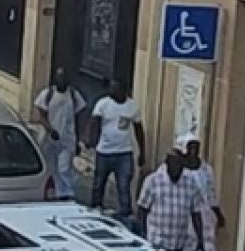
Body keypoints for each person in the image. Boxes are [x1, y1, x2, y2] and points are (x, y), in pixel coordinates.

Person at [88, 79, 146, 218]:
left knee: (124, 184)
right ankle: (96, 206)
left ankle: (125, 211)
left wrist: (142, 151)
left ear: (124, 90)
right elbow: (94, 122)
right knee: (99, 182)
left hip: (124, 152)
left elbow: (139, 129)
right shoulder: (103, 104)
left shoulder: (132, 106)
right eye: (111, 88)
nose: (112, 91)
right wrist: (91, 140)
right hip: (104, 151)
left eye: (115, 88)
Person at [31, 68, 86, 201]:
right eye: (59, 77)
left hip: (68, 138)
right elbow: (41, 116)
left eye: (64, 77)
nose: (62, 80)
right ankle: (54, 190)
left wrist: (78, 139)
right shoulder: (47, 94)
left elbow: (78, 118)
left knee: (64, 167)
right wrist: (50, 130)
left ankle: (67, 193)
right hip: (50, 138)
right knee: (50, 166)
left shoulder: (74, 95)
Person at [137, 151, 206, 251]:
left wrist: (200, 239)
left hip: (179, 244)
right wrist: (142, 235)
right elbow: (142, 210)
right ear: (167, 163)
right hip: (156, 243)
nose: (177, 168)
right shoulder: (152, 181)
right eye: (174, 163)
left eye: (180, 164)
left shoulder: (190, 183)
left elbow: (196, 213)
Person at [175, 133, 224, 251]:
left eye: (196, 147)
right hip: (185, 214)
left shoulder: (207, 169)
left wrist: (218, 213)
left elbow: (211, 193)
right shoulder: (177, 170)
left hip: (205, 213)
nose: (194, 151)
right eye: (190, 147)